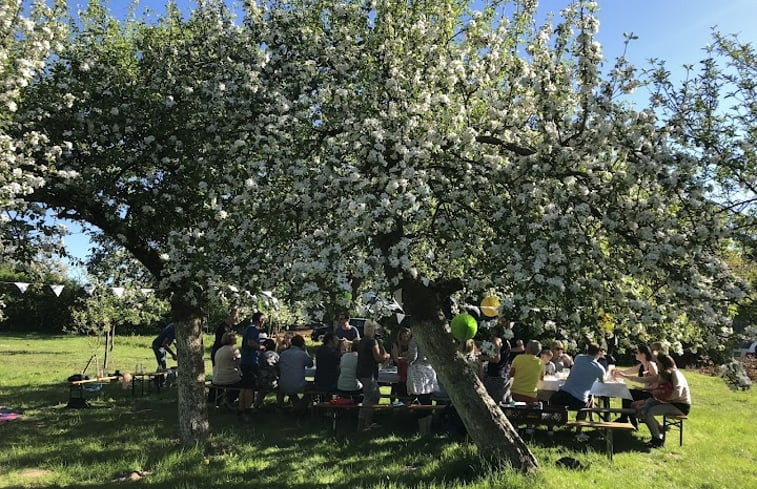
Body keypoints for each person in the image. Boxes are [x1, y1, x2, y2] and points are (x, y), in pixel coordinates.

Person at [549, 343, 606, 441]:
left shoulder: (579, 358)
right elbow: (603, 381)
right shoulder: (599, 368)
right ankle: (578, 432)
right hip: (578, 400)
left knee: (553, 400)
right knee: (586, 403)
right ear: (598, 353)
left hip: (563, 394)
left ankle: (550, 428)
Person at [635, 354, 691, 447]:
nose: (656, 365)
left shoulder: (675, 374)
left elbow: (678, 391)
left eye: (658, 363)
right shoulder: (665, 374)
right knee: (643, 408)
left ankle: (657, 440)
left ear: (663, 364)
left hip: (680, 406)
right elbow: (647, 380)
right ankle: (659, 431)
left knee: (649, 412)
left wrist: (666, 399)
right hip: (671, 403)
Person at [613, 343, 659, 427]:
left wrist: (642, 388)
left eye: (637, 352)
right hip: (645, 392)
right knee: (627, 394)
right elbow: (628, 371)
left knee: (628, 393)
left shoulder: (651, 365)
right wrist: (617, 372)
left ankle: (626, 419)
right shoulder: (641, 366)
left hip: (651, 395)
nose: (635, 354)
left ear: (643, 354)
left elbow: (657, 382)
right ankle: (628, 420)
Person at [356, 320, 389, 431]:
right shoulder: (372, 342)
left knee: (370, 396)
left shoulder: (362, 341)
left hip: (361, 371)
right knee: (371, 397)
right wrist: (386, 356)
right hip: (368, 373)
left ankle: (364, 422)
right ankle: (365, 424)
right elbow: (378, 358)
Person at [213, 332, 253, 416]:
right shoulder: (234, 350)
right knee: (246, 384)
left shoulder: (219, 350)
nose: (237, 339)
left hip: (217, 378)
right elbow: (239, 363)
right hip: (229, 378)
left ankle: (226, 399)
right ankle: (237, 403)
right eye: (235, 337)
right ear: (231, 339)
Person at [406, 335, 438, 435]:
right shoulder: (432, 337)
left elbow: (413, 356)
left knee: (420, 402)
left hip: (419, 372)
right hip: (430, 370)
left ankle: (422, 430)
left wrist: (408, 359)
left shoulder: (415, 339)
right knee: (428, 401)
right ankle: (428, 429)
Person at [277, 334, 313, 409]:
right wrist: (305, 351)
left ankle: (297, 404)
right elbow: (310, 364)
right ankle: (301, 406)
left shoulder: (283, 354)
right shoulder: (302, 354)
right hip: (298, 385)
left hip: (283, 384)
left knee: (291, 386)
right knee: (312, 386)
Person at [480, 327, 511, 404]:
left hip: (494, 376)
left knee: (488, 402)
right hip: (504, 376)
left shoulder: (496, 340)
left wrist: (482, 357)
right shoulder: (507, 343)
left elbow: (497, 359)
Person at [240, 312, 266, 393]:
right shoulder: (253, 329)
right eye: (263, 320)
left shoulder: (249, 328)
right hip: (250, 361)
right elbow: (250, 342)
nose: (264, 322)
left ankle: (243, 404)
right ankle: (247, 404)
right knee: (250, 387)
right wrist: (261, 347)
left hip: (245, 360)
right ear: (260, 320)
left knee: (245, 386)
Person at [254, 338, 280, 408]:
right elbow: (279, 369)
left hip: (261, 382)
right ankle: (280, 406)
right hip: (273, 383)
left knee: (261, 392)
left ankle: (256, 405)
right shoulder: (276, 356)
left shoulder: (260, 355)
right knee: (281, 388)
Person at [391, 327, 412, 400]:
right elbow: (396, 359)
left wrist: (403, 357)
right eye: (404, 336)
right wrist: (405, 357)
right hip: (399, 368)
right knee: (396, 383)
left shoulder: (412, 344)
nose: (405, 338)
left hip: (409, 368)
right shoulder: (396, 344)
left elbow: (412, 356)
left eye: (407, 336)